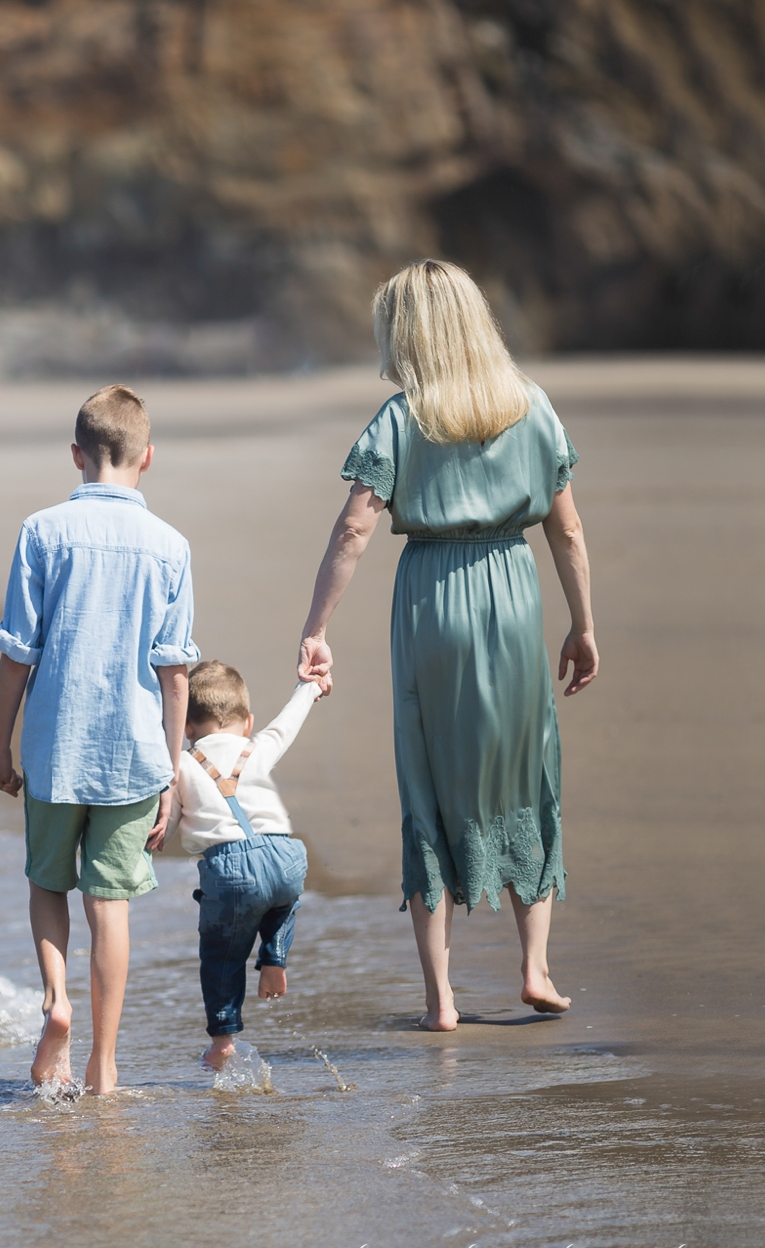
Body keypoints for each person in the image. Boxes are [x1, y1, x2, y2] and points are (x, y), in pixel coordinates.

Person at [297, 258, 599, 1031]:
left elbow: (356, 528)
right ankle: (533, 967)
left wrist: (317, 627)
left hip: (432, 594)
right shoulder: (531, 405)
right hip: (512, 587)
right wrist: (583, 623)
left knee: (429, 775)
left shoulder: (402, 417)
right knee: (525, 767)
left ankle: (442, 999)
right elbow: (564, 529)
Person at [0, 384, 199, 1094]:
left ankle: (56, 1001)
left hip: (53, 746)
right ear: (148, 458)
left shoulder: (41, 531)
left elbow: (17, 655)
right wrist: (171, 769)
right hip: (133, 753)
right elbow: (174, 673)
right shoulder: (171, 545)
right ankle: (104, 1066)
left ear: (76, 454)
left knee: (47, 883)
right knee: (112, 905)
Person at [165, 661, 328, 1070]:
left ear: (187, 728)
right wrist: (310, 688)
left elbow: (167, 823)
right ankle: (274, 957)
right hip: (286, 853)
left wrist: (152, 841)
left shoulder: (182, 764)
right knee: (284, 901)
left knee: (221, 954)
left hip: (228, 869)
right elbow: (287, 724)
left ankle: (222, 1038)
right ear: (247, 720)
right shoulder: (258, 747)